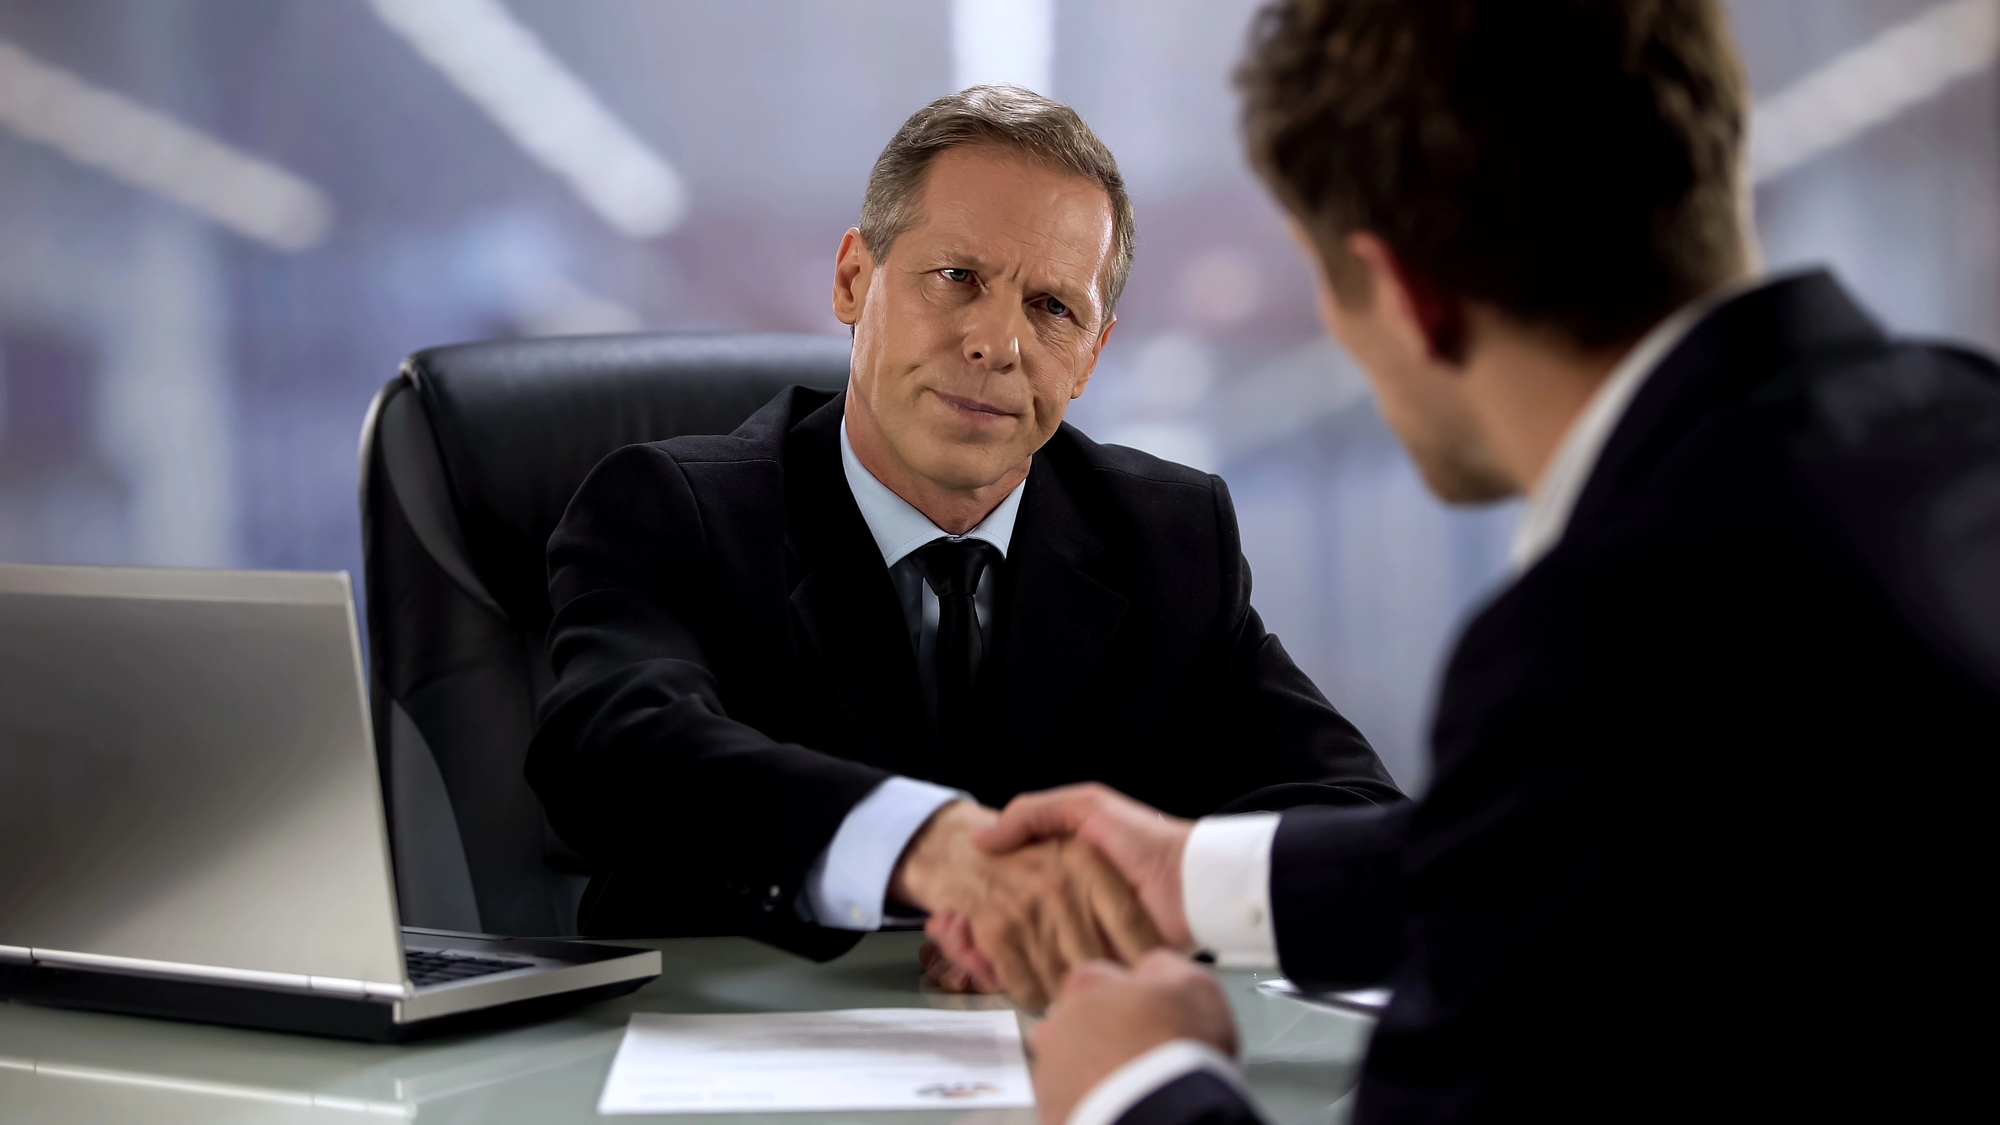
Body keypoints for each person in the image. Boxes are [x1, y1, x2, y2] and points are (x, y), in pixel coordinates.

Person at [940, 0, 2000, 1120]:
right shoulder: (1953, 422)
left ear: (1408, 294)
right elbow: (1653, 846)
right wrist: (1197, 875)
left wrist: (1141, 1082)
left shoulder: (1597, 640)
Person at [526, 85, 1402, 1008]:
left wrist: (1157, 889)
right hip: (732, 1062)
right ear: (853, 282)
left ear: (1092, 356)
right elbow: (608, 751)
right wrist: (928, 847)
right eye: (957, 278)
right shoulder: (676, 509)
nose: (999, 342)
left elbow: (1363, 822)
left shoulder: (1169, 538)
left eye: (1053, 308)